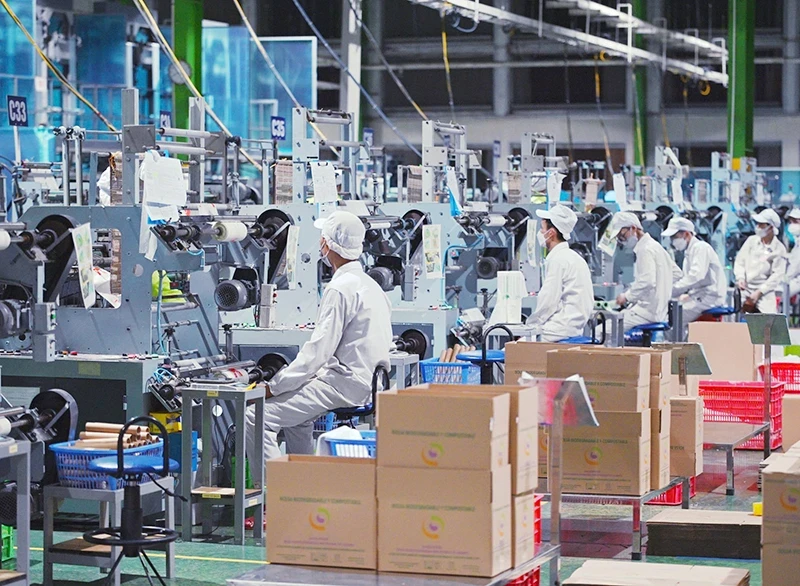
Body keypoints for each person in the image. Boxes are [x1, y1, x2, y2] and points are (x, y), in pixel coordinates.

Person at [245, 211, 393, 460]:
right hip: (372, 382)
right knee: (297, 419)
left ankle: (278, 492)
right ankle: (302, 487)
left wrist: (275, 386)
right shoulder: (370, 285)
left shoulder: (340, 288)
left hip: (345, 384)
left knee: (255, 416)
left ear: (326, 244)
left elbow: (318, 352)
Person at [526, 205, 594, 341]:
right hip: (574, 327)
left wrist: (529, 326)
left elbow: (548, 301)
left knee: (511, 352)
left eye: (542, 229)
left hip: (558, 329)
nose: (540, 233)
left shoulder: (558, 260)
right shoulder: (574, 258)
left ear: (551, 233)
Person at [609, 212, 683, 329]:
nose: (621, 240)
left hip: (646, 313)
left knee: (602, 331)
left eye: (622, 235)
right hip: (659, 311)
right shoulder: (655, 245)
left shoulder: (645, 249)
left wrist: (627, 296)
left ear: (633, 228)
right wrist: (659, 290)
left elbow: (647, 281)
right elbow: (676, 273)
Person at [662, 217, 727, 322]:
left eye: (674, 236)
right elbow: (687, 280)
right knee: (669, 311)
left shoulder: (701, 247)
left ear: (687, 234)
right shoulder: (689, 252)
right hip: (700, 295)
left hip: (710, 297)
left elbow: (696, 276)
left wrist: (672, 289)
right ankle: (682, 338)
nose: (672, 241)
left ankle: (675, 339)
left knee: (672, 319)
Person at [734, 208, 787, 313]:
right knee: (735, 316)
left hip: (765, 291)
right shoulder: (751, 241)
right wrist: (740, 278)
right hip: (745, 287)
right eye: (758, 224)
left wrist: (759, 292)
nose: (758, 227)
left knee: (769, 321)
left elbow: (776, 275)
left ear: (771, 227)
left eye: (761, 224)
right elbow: (740, 261)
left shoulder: (779, 249)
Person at [785, 208, 800, 298]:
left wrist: (785, 279)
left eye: (795, 221)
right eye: (791, 221)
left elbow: (796, 266)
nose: (792, 224)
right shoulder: (797, 241)